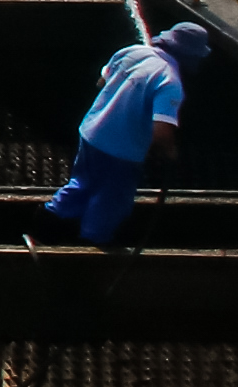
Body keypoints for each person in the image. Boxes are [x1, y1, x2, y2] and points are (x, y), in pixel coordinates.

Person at [37, 22, 208, 251]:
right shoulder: (170, 81)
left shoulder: (131, 51)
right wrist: (171, 154)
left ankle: (43, 229)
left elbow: (102, 82)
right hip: (122, 150)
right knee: (112, 197)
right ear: (191, 56)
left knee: (82, 183)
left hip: (91, 133)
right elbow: (161, 131)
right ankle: (93, 243)